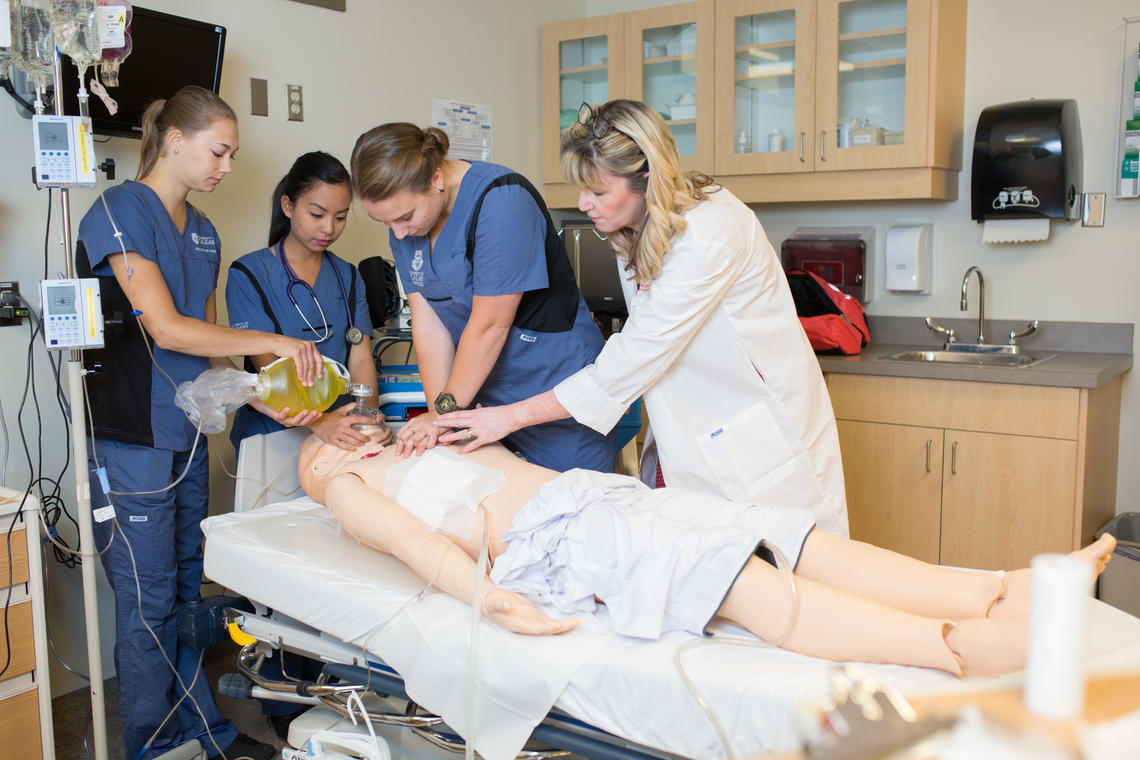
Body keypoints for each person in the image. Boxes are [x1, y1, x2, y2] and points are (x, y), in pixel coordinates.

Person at [298, 432, 1117, 678]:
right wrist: (501, 605)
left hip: (600, 497)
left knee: (786, 536)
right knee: (735, 580)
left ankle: (1000, 588)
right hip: (564, 540)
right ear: (323, 470)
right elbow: (418, 549)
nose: (349, 431)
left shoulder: (403, 443)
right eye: (330, 438)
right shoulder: (345, 487)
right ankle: (959, 650)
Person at [432, 100, 849, 536]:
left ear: (645, 179)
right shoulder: (637, 230)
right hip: (692, 431)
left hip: (756, 442)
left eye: (597, 192)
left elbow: (634, 357)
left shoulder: (708, 232)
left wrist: (507, 417)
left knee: (791, 573)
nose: (582, 204)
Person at [75, 86, 316, 760]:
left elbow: (206, 345)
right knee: (147, 600)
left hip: (182, 435)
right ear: (174, 141)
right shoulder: (119, 212)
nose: (228, 166)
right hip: (131, 439)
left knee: (184, 592)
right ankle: (154, 744)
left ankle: (198, 732)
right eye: (219, 150)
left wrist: (265, 392)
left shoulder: (203, 231)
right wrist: (269, 341)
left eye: (233, 153)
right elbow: (169, 328)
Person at [349, 123, 616, 472]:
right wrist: (440, 416)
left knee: (572, 504)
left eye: (404, 218)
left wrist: (445, 412)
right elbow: (428, 328)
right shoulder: (405, 226)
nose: (398, 234)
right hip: (480, 392)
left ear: (435, 179)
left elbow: (490, 325)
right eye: (384, 223)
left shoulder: (502, 201)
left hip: (551, 386)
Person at [226, 151, 389, 453]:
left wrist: (366, 419)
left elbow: (361, 358)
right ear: (288, 206)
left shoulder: (348, 277)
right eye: (317, 215)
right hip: (273, 434)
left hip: (341, 431)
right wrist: (321, 422)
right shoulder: (248, 274)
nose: (329, 228)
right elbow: (272, 372)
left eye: (340, 217)